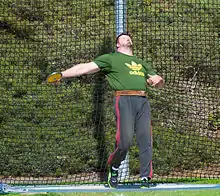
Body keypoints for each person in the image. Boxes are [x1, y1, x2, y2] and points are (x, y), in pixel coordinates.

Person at [53, 32, 164, 188]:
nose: (127, 37)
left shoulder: (141, 62)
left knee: (146, 140)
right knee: (125, 142)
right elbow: (85, 68)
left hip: (142, 101)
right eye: (123, 37)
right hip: (124, 99)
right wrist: (62, 74)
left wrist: (159, 81)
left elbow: (157, 81)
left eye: (129, 37)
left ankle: (145, 177)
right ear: (118, 44)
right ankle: (114, 166)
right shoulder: (111, 58)